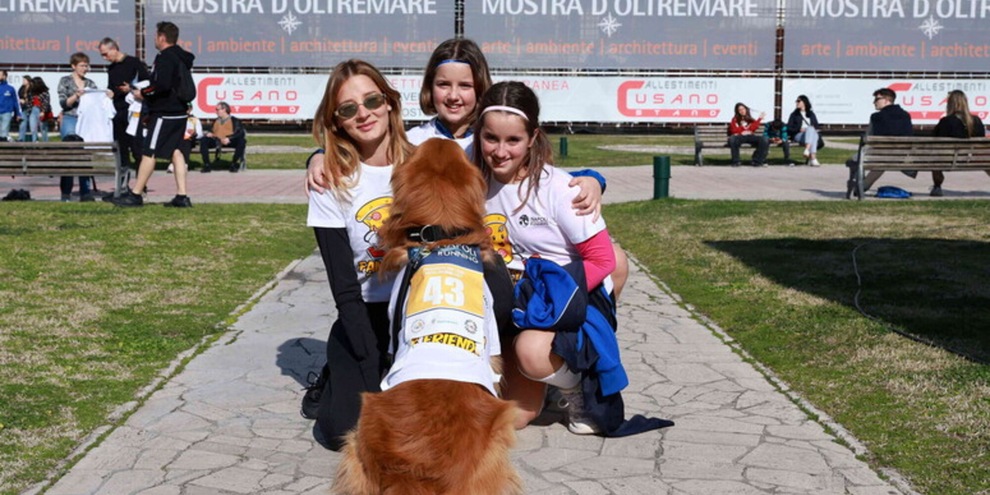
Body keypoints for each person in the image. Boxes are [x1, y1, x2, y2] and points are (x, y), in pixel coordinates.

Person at [306, 38, 630, 300]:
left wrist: (592, 179)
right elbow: (373, 152)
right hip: (437, 260)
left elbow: (539, 174)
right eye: (443, 84)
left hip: (493, 253)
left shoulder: (492, 137)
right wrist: (319, 156)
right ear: (429, 88)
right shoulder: (416, 141)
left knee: (614, 259)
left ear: (480, 87)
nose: (453, 95)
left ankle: (580, 338)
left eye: (465, 85)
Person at [477, 81, 671, 437]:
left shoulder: (559, 188)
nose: (500, 151)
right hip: (508, 308)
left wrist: (548, 303)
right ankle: (550, 378)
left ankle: (575, 384)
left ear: (533, 138)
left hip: (558, 302)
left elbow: (602, 259)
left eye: (513, 140)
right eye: (491, 138)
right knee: (514, 418)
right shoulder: (474, 182)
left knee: (532, 352)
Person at [306, 59, 415, 451]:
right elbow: (345, 289)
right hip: (362, 315)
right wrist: (370, 367)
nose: (363, 114)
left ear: (389, 102)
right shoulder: (330, 180)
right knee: (345, 433)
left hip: (416, 312)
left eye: (371, 100)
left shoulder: (422, 164)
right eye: (348, 109)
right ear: (336, 122)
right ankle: (335, 377)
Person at [111, 22, 195, 208]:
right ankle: (182, 196)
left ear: (162, 38)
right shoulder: (181, 56)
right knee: (176, 151)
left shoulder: (165, 57)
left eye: (156, 36)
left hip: (165, 112)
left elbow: (162, 85)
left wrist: (144, 93)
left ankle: (136, 194)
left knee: (149, 151)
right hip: (179, 112)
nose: (154, 39)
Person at [845, 88, 914, 199]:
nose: (874, 102)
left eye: (877, 99)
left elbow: (867, 139)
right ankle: (862, 187)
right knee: (881, 162)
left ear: (886, 100)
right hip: (902, 157)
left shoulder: (876, 117)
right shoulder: (906, 115)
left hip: (881, 156)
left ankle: (860, 187)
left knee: (855, 160)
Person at [99, 37, 150, 174]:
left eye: (105, 54)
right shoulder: (111, 68)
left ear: (114, 49)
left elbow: (147, 82)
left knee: (136, 147)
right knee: (121, 148)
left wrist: (131, 88)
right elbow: (112, 87)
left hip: (134, 111)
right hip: (118, 111)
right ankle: (122, 183)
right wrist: (110, 93)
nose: (104, 58)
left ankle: (141, 183)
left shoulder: (133, 62)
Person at [57, 52, 99, 201]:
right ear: (73, 66)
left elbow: (96, 101)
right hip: (70, 118)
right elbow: (63, 103)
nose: (85, 68)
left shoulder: (90, 83)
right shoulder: (65, 81)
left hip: (86, 120)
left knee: (85, 155)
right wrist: (76, 96)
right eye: (82, 65)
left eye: (86, 65)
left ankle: (85, 191)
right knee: (69, 154)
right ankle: (66, 192)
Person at [930, 90, 986, 197]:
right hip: (974, 159)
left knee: (935, 156)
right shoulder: (977, 121)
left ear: (950, 104)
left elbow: (935, 140)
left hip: (949, 160)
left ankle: (937, 186)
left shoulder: (946, 121)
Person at [199, 101, 246, 173]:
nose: (216, 112)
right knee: (204, 140)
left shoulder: (235, 120)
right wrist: (209, 133)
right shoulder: (216, 121)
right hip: (217, 140)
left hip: (230, 140)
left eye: (218, 110)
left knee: (242, 141)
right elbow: (211, 130)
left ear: (224, 109)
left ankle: (233, 164)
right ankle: (207, 165)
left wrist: (229, 138)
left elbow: (240, 133)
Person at [727, 102, 768, 167]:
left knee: (764, 139)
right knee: (732, 139)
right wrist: (742, 132)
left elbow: (753, 128)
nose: (742, 111)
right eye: (740, 110)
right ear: (737, 112)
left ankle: (757, 161)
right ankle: (736, 161)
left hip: (750, 136)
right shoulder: (735, 119)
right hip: (740, 137)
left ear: (746, 109)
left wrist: (759, 119)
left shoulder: (750, 118)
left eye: (743, 109)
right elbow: (733, 130)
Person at [786, 95, 821, 166]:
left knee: (811, 130)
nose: (796, 103)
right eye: (796, 101)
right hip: (798, 135)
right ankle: (813, 158)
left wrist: (809, 129)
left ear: (804, 102)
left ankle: (808, 151)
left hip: (810, 135)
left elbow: (816, 126)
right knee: (813, 133)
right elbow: (789, 128)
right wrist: (799, 129)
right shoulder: (794, 115)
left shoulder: (811, 114)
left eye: (798, 101)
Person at [169, 103, 202, 174]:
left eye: (188, 108)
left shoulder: (194, 119)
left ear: (190, 109)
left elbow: (200, 134)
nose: (186, 110)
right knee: (175, 141)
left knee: (186, 141)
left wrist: (194, 133)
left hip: (190, 140)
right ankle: (172, 163)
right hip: (178, 139)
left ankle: (185, 164)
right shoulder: (177, 118)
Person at [0, 70, 22, 142]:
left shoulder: (10, 88)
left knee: (4, 130)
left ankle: (3, 145)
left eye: (0, 75)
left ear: (4, 76)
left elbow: (15, 101)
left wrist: (18, 113)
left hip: (7, 112)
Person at [17, 75, 30, 141]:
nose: (23, 81)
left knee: (33, 125)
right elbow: (18, 96)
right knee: (23, 123)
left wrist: (26, 100)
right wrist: (20, 100)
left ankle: (35, 139)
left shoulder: (32, 88)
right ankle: (21, 138)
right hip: (24, 108)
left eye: (24, 80)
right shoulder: (22, 88)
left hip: (31, 108)